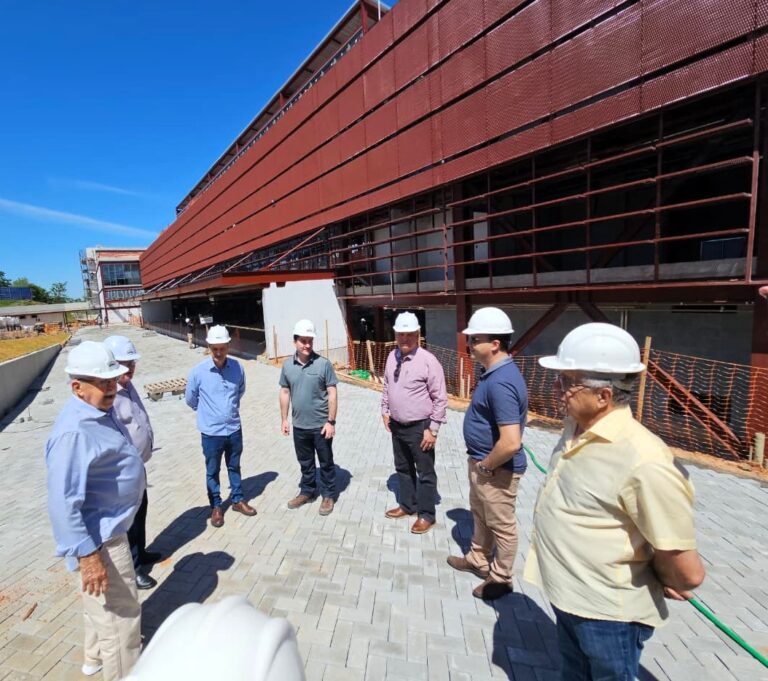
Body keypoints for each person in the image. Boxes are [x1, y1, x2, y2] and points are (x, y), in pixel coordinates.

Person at [524, 322, 705, 680]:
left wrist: (669, 575)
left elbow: (687, 571)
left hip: (607, 616)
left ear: (603, 396)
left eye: (566, 381)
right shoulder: (576, 427)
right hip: (569, 597)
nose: (556, 388)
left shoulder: (643, 460)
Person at [45, 341, 144, 680]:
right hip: (102, 542)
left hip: (106, 533)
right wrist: (89, 557)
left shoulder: (95, 409)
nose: (112, 387)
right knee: (121, 621)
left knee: (99, 607)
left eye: (113, 380)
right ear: (77, 387)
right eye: (103, 382)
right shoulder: (73, 433)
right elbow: (62, 502)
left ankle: (93, 658)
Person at [447, 307, 527, 600]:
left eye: (474, 339)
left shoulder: (502, 381)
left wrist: (486, 466)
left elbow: (511, 442)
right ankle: (478, 560)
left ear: (494, 344)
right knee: (481, 515)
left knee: (501, 526)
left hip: (496, 468)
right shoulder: (493, 374)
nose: (469, 344)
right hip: (485, 464)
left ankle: (501, 578)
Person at [381, 311, 447, 534]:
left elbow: (440, 398)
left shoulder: (428, 361)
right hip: (397, 425)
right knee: (402, 467)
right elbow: (387, 386)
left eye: (410, 334)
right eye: (401, 334)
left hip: (421, 428)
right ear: (395, 335)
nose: (405, 338)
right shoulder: (392, 357)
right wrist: (385, 410)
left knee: (425, 472)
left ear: (418, 334)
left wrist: (433, 430)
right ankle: (407, 505)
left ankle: (426, 515)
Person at [104, 335, 161, 590]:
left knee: (141, 512)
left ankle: (142, 551)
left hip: (138, 467)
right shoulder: (109, 395)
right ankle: (133, 568)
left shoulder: (127, 385)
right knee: (129, 521)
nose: (130, 368)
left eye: (132, 363)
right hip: (123, 472)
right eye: (125, 364)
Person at [185, 325, 257, 527]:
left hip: (233, 429)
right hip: (211, 433)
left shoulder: (237, 367)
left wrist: (228, 410)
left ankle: (237, 500)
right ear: (209, 347)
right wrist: (208, 412)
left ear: (228, 346)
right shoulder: (198, 372)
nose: (218, 353)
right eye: (214, 348)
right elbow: (190, 399)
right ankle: (216, 506)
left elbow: (240, 390)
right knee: (212, 470)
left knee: (234, 466)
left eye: (222, 348)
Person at [279, 319, 339, 515]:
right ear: (295, 341)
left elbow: (332, 392)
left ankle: (328, 495)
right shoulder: (287, 366)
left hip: (321, 426)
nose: (307, 345)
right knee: (305, 462)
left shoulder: (323, 364)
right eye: (303, 341)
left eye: (310, 341)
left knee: (326, 462)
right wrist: (284, 419)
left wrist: (331, 421)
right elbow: (285, 392)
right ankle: (308, 491)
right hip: (300, 426)